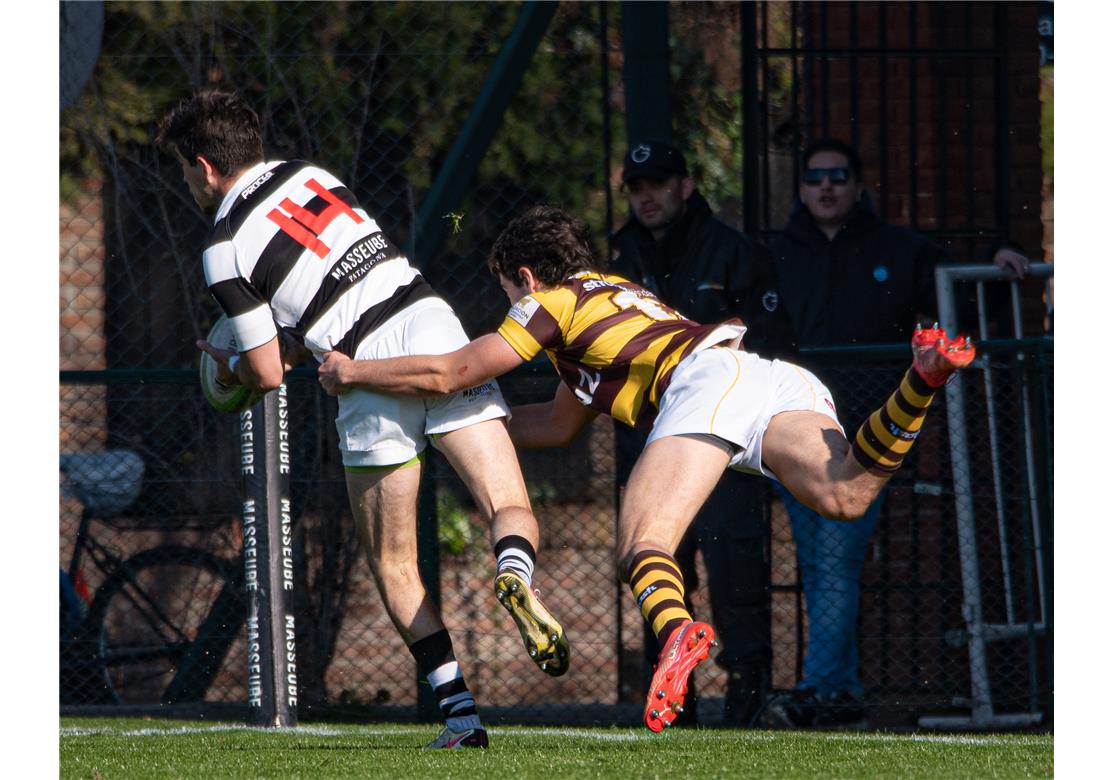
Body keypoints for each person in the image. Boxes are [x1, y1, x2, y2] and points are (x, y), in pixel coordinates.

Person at [317, 205, 975, 733]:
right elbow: (549, 424)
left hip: (706, 382)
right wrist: (449, 432)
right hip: (765, 377)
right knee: (847, 493)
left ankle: (676, 631)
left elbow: (453, 369)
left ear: (522, 275)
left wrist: (355, 372)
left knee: (642, 543)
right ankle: (921, 380)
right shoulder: (610, 302)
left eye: (505, 290)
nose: (508, 304)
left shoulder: (551, 302)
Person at [156, 90, 569, 750]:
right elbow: (328, 289)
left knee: (395, 565)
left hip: (367, 375)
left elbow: (267, 371)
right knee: (508, 502)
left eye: (184, 169)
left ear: (203, 166)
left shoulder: (224, 247)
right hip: (432, 328)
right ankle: (514, 575)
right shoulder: (314, 177)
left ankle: (461, 717)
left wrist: (225, 369)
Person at [744, 137, 1029, 728]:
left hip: (872, 438)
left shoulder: (897, 248)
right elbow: (759, 336)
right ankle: (837, 689)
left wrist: (1001, 253)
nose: (826, 187)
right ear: (800, 188)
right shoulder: (777, 254)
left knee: (835, 561)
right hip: (798, 434)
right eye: (816, 177)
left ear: (857, 185)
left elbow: (955, 283)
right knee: (822, 564)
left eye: (838, 177)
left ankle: (820, 688)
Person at [608, 140, 772, 726]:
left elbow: (773, 350)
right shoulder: (616, 257)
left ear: (686, 185)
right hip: (647, 442)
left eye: (656, 183)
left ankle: (748, 709)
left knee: (736, 580)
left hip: (724, 448)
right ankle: (672, 711)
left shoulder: (735, 253)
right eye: (635, 187)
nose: (645, 196)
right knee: (654, 566)